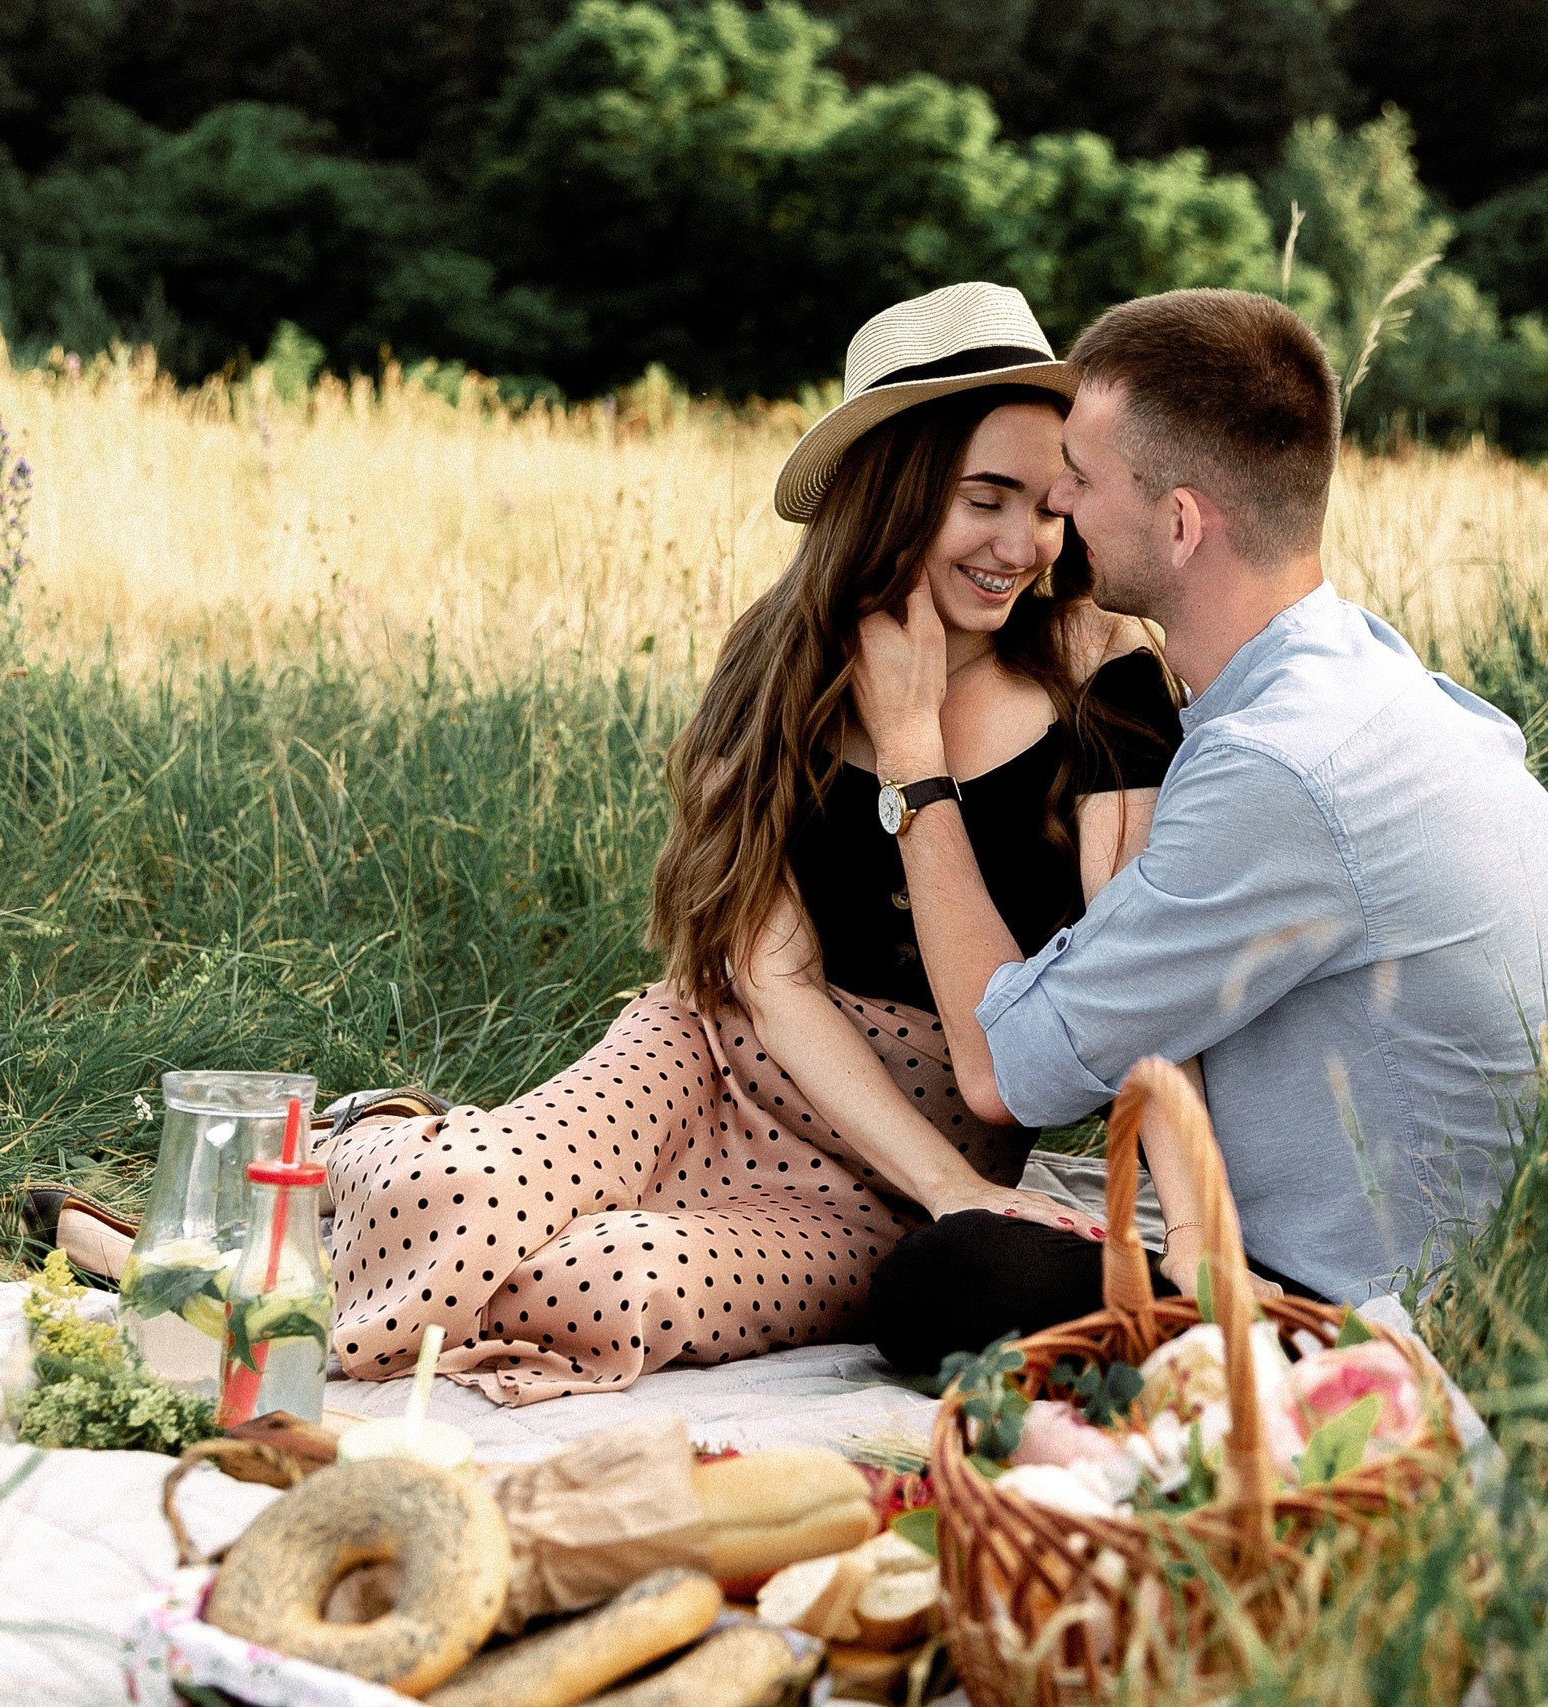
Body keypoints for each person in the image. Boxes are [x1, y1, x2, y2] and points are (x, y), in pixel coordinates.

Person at [314, 281, 1192, 1403]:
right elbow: (768, 979)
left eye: (1048, 505)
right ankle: (379, 1147)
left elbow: (1134, 979)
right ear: (897, 492)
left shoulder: (1105, 677)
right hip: (709, 1056)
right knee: (467, 1202)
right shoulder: (782, 665)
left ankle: (384, 1195)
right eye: (985, 499)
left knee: (600, 1286)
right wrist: (946, 1183)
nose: (1022, 544)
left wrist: (946, 1191)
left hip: (885, 1176)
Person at [853, 287, 1548, 1373]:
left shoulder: (1275, 766)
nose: (1056, 500)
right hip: (1495, 1248)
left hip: (1382, 1311)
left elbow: (1002, 1069)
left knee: (943, 1282)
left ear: (1178, 522)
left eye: (1080, 473)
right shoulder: (1362, 674)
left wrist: (913, 766)